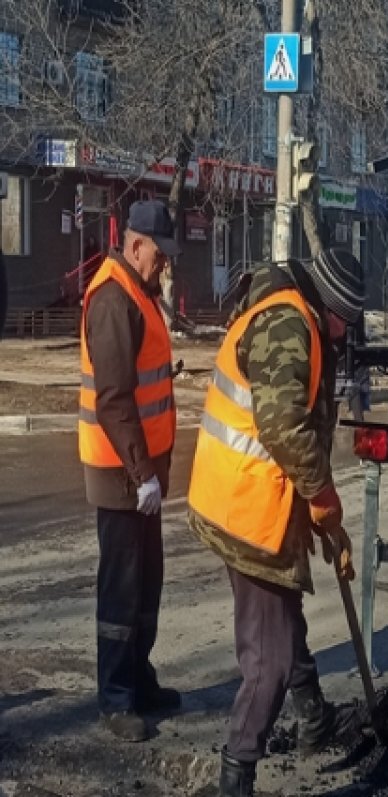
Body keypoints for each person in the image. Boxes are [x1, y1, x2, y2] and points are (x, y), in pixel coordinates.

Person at [188, 248, 366, 796]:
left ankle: (313, 718)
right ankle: (236, 773)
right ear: (331, 308)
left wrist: (321, 518)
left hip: (243, 497)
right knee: (270, 659)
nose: (343, 335)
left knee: (282, 619)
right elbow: (284, 425)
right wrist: (323, 495)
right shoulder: (291, 324)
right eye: (345, 323)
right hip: (247, 511)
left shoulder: (290, 314)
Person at [79, 200, 181, 742]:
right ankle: (116, 698)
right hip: (121, 472)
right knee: (121, 590)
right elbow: (115, 400)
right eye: (160, 257)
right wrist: (143, 473)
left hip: (141, 473)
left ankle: (139, 681)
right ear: (135, 244)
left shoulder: (137, 291)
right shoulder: (113, 298)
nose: (163, 266)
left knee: (147, 584)